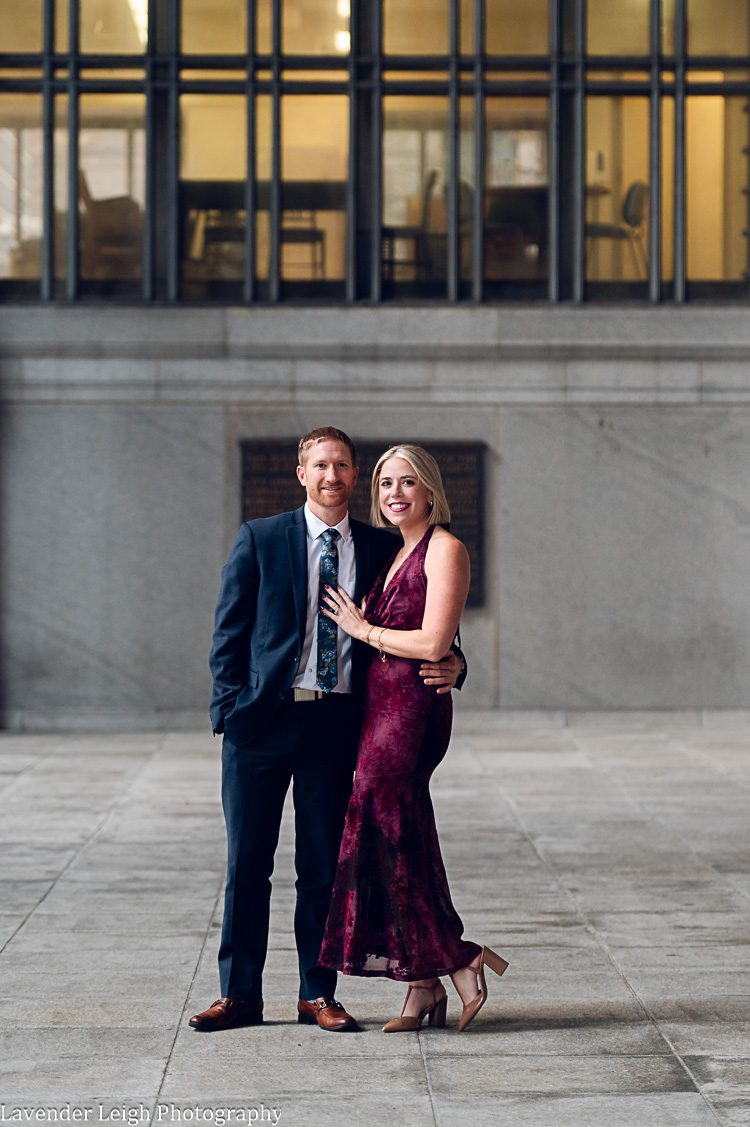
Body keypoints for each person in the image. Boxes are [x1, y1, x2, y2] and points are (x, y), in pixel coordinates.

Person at [189, 427, 466, 1033]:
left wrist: (456, 662)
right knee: (247, 866)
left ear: (352, 473)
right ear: (301, 473)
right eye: (320, 465)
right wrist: (229, 711)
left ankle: (318, 994)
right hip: (261, 726)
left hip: (336, 728)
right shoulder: (261, 539)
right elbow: (227, 634)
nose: (332, 476)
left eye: (342, 465)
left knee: (321, 868)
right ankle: (238, 995)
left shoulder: (379, 545)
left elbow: (428, 620)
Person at [317, 443, 509, 1032]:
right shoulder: (398, 552)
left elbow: (432, 642)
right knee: (400, 839)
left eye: (407, 483)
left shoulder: (446, 548)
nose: (394, 494)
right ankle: (424, 984)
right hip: (381, 713)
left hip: (410, 716)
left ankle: (459, 960)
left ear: (430, 491)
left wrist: (362, 627)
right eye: (384, 484)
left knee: (390, 833)